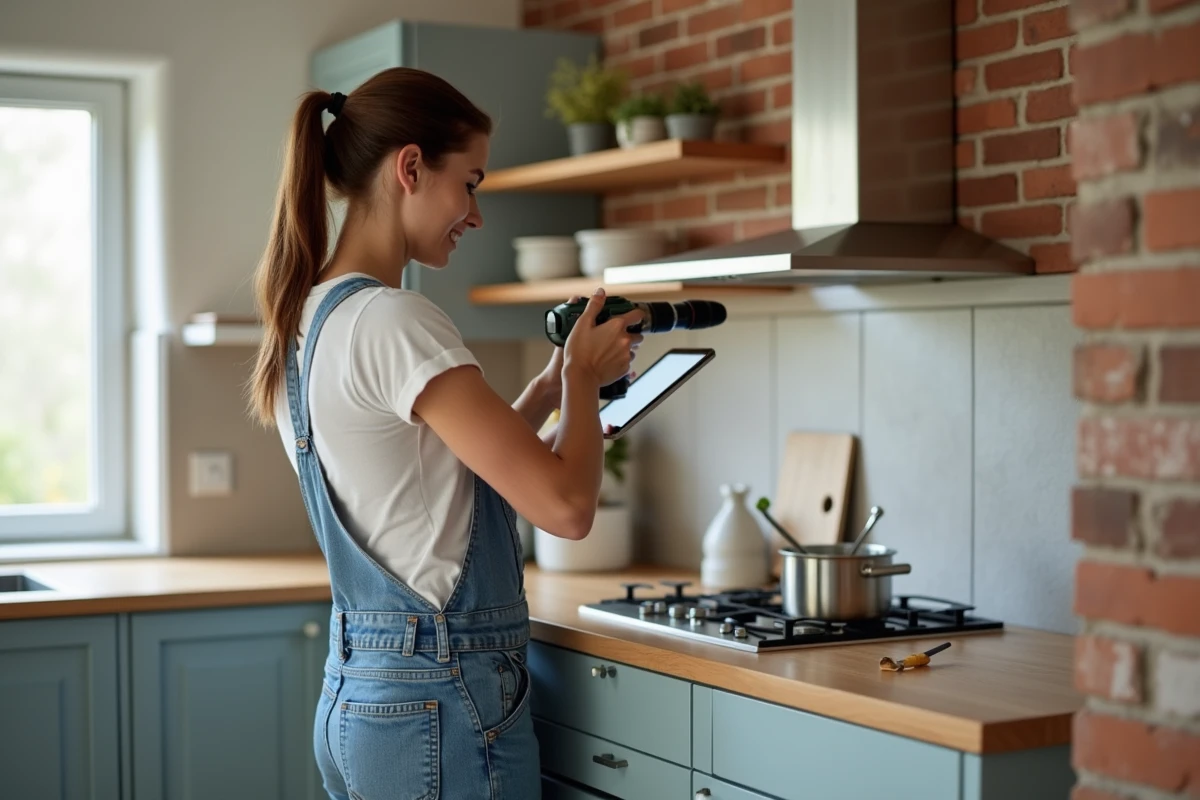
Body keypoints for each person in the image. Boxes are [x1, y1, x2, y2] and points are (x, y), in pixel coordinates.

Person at [246, 67, 643, 800]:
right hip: (443, 701)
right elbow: (566, 509)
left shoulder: (307, 319)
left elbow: (416, 479)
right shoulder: (395, 319)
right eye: (471, 182)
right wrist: (584, 378)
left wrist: (543, 395)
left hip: (360, 697)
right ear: (410, 167)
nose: (475, 213)